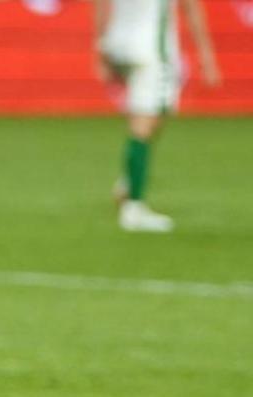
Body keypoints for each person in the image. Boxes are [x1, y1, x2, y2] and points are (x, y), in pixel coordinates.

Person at [95, 0, 221, 233]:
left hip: (119, 43)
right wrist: (206, 55)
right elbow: (191, 7)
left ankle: (128, 183)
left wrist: (102, 45)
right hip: (151, 47)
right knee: (147, 119)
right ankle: (133, 207)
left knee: (150, 111)